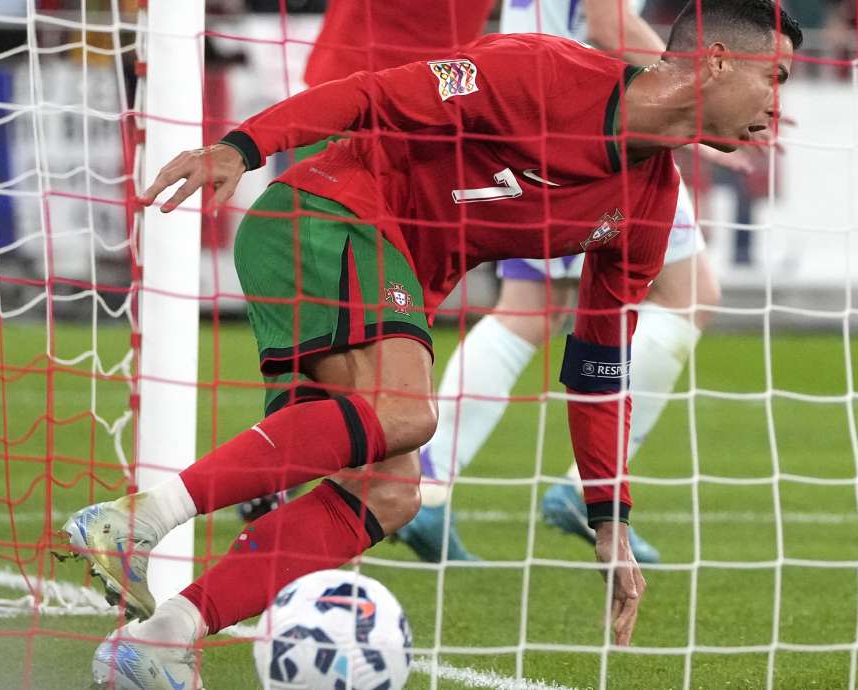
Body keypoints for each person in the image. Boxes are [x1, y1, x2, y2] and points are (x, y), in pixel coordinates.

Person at [59, 2, 799, 686]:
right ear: (718, 60)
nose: (779, 106)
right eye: (777, 77)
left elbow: (599, 366)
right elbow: (370, 95)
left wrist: (609, 516)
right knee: (407, 413)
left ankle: (161, 637)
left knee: (390, 491)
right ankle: (137, 522)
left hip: (377, 268)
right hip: (322, 214)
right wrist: (242, 148)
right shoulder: (542, 71)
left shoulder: (650, 204)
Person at [394, 0, 722, 565]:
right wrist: (707, 99)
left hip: (541, 112)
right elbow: (608, 24)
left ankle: (427, 486)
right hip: (591, 126)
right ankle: (579, 485)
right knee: (686, 295)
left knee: (531, 308)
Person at [234, 0, 496, 523]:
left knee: (362, 322)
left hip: (431, 121)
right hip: (364, 106)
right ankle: (282, 472)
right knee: (345, 320)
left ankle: (283, 469)